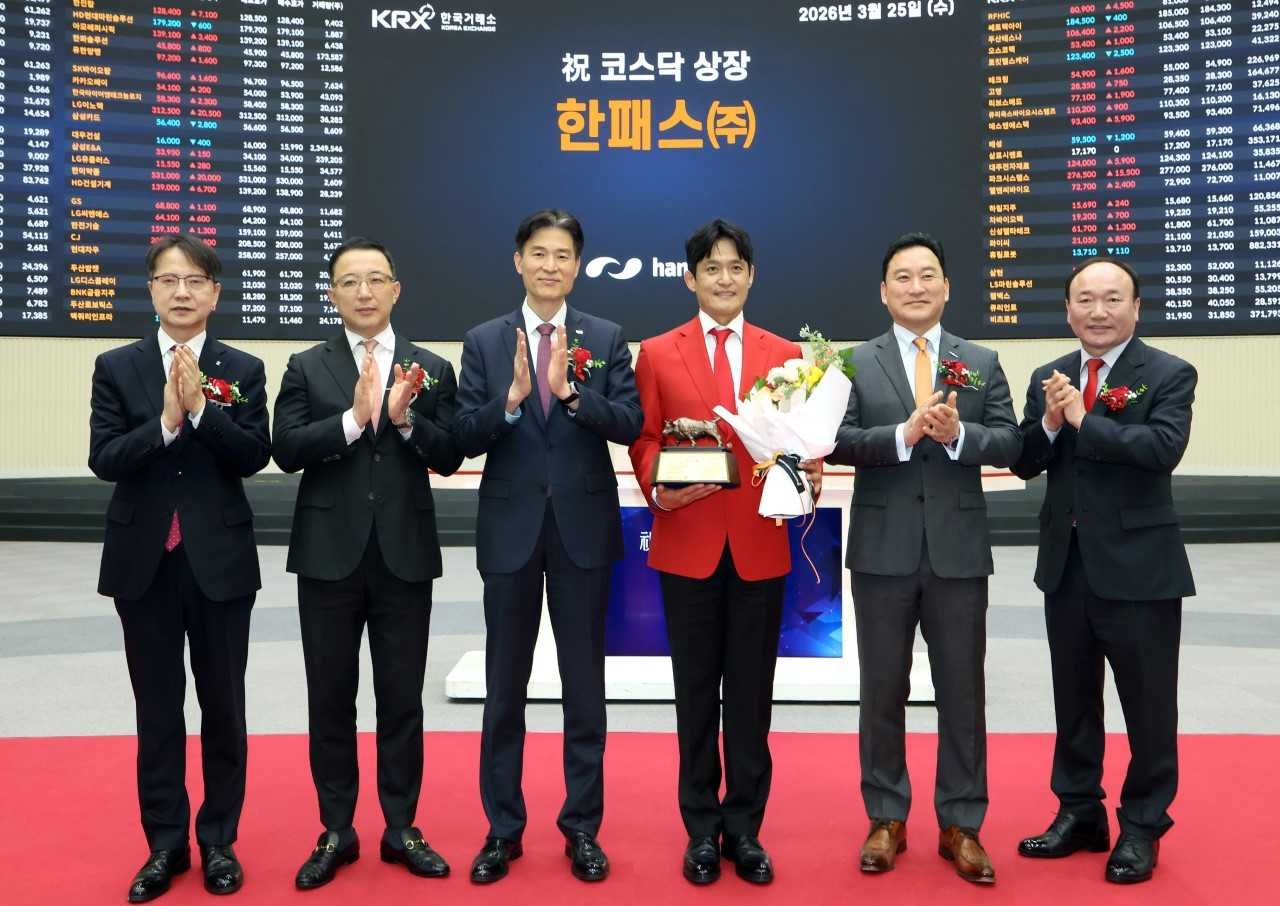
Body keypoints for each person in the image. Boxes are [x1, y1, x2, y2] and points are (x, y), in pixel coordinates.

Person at [627, 219, 821, 886]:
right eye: (711, 267)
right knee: (692, 700)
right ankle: (701, 832)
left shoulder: (787, 353)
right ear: (690, 278)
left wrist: (806, 466)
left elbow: (797, 439)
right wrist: (658, 485)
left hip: (760, 546)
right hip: (687, 545)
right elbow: (644, 440)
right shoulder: (655, 352)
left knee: (750, 699)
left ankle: (745, 831)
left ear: (752, 275)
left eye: (736, 266)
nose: (724, 277)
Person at [454, 209, 642, 884]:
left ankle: (581, 829)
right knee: (504, 690)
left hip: (582, 534)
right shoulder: (482, 341)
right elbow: (462, 434)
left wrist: (570, 395)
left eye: (563, 255)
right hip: (509, 533)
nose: (550, 266)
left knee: (584, 691)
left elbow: (629, 423)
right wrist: (508, 402)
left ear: (578, 264)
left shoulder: (607, 337)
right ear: (518, 261)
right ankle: (502, 830)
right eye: (539, 253)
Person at [826, 232, 1020, 885]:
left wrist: (959, 434)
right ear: (884, 292)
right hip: (882, 551)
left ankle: (962, 823)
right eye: (902, 277)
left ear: (946, 287)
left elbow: (1011, 441)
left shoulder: (981, 359)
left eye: (927, 275)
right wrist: (903, 436)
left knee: (964, 691)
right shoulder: (854, 362)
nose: (916, 286)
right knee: (882, 688)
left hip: (959, 552)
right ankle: (886, 816)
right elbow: (838, 442)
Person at [272, 237, 464, 889]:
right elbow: (287, 448)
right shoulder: (306, 366)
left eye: (375, 279)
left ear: (395, 290)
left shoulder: (429, 365)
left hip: (404, 554)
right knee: (330, 698)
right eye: (349, 281)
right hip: (328, 556)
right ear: (332, 294)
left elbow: (451, 453)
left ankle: (402, 826)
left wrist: (408, 424)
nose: (363, 291)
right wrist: (352, 421)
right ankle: (335, 829)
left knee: (401, 698)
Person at [90, 233, 270, 902]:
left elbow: (254, 454)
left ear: (215, 294)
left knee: (224, 707)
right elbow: (105, 458)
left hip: (218, 562)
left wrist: (200, 410)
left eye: (196, 280)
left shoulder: (242, 369)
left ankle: (219, 840)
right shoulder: (117, 366)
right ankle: (165, 845)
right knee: (157, 710)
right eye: (169, 280)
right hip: (143, 563)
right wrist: (164, 423)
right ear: (152, 291)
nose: (183, 291)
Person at [1012, 257, 1195, 884]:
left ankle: (1142, 825)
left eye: (1112, 298)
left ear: (1136, 308)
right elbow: (1024, 461)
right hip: (1067, 568)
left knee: (1148, 706)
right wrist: (1048, 422)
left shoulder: (1168, 373)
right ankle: (1079, 811)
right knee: (1074, 701)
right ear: (1067, 310)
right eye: (1084, 299)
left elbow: (1161, 449)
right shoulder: (1050, 375)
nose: (1097, 310)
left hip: (1141, 571)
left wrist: (1086, 421)